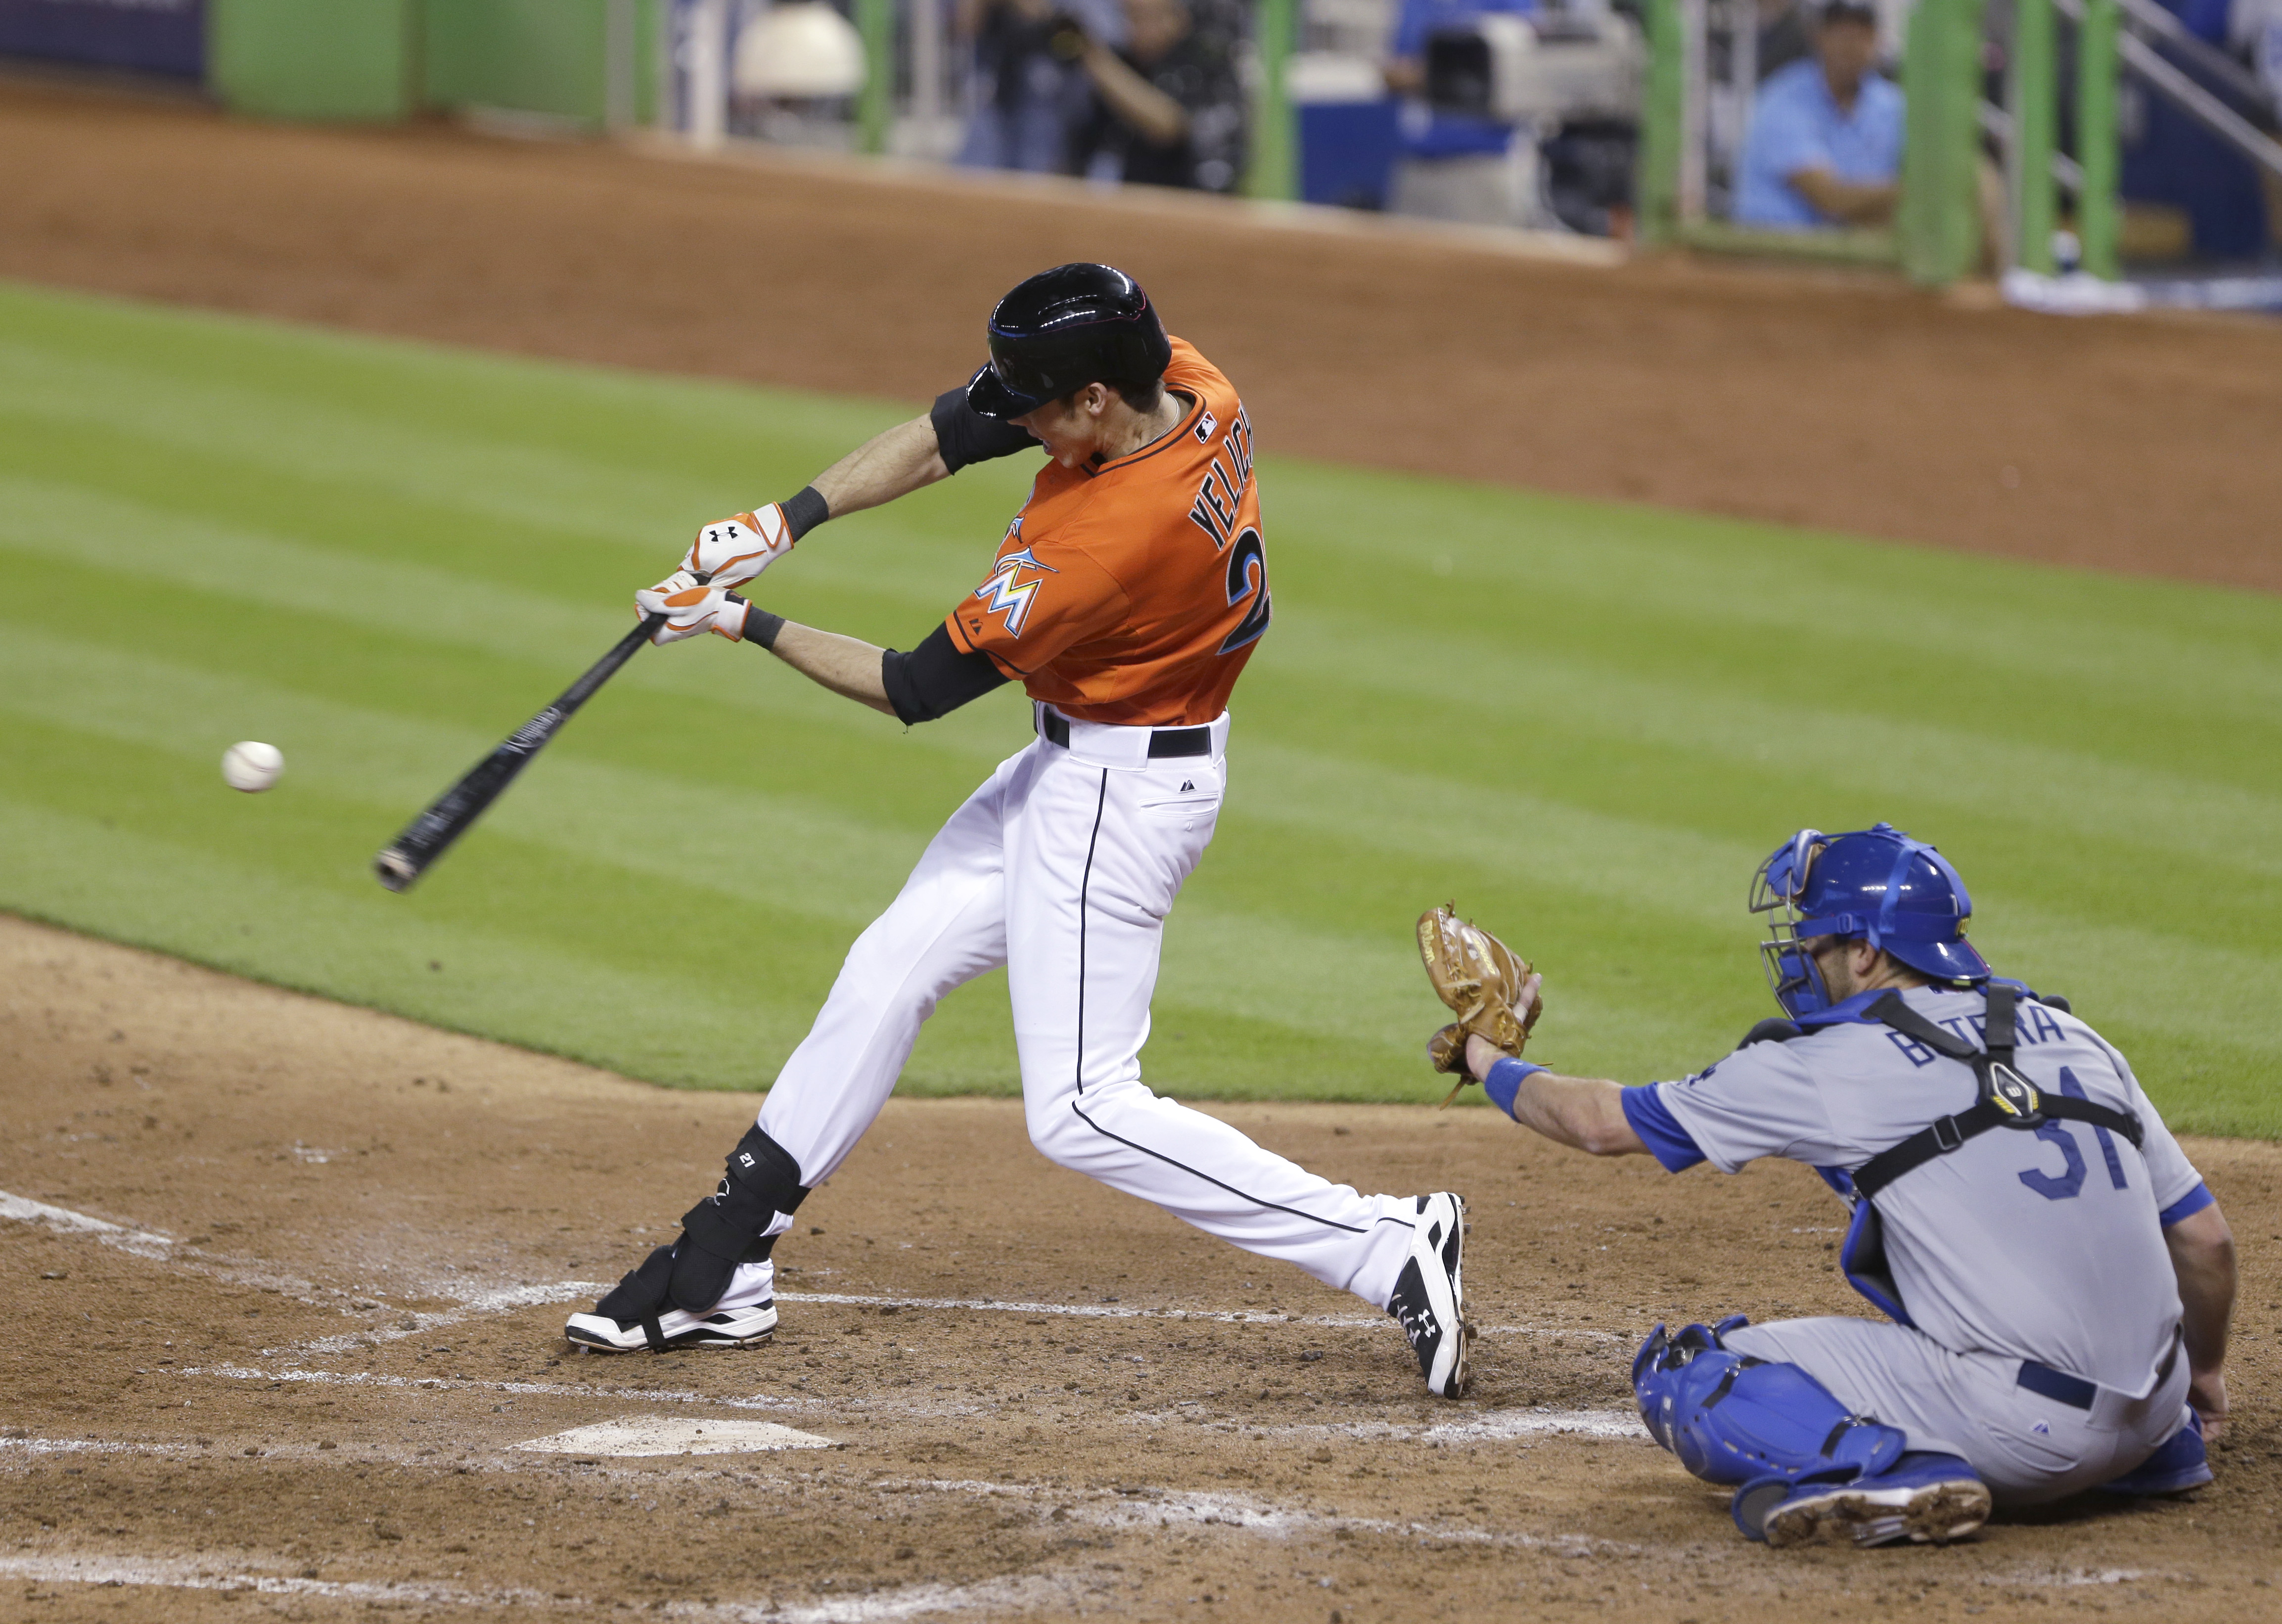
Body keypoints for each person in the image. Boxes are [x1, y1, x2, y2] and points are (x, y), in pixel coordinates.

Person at [562, 264, 1475, 1403]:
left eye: (1038, 401)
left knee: (1086, 1109)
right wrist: (779, 522)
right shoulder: (1190, 383)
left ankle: (1386, 1240)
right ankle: (731, 1256)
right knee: (891, 965)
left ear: (1094, 399)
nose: (1018, 417)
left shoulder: (1106, 541)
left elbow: (913, 687)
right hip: (1075, 767)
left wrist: (738, 619)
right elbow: (951, 433)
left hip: (1114, 804)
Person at [1445, 823, 2235, 1547]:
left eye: (1814, 942)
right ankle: (2151, 1457)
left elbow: (1596, 1123)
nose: (1800, 959)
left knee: (1691, 1371)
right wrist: (2199, 1379)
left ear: (1865, 953)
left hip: (2023, 1439)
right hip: (2159, 1417)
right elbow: (2204, 1241)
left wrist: (1489, 1058)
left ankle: (1894, 1477)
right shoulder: (2077, 1037)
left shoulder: (1826, 1066)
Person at [1734, 0, 1904, 229]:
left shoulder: (1891, 104)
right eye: (1840, 32)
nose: (1850, 44)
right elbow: (1831, 200)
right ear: (1818, 36)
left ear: (1876, 39)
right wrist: (1918, 193)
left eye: (1861, 33)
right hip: (1772, 255)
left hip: (1851, 254)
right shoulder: (1782, 100)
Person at [1383, 0, 1543, 226]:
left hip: (1481, 167)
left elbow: (1519, 65)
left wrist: (1433, 74)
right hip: (1417, 165)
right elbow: (1394, 71)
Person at [1063, 0, 1246, 193]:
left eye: (1150, 17)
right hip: (1123, 200)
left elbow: (1167, 125)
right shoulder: (1125, 60)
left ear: (1179, 18)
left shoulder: (1200, 59)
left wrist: (1094, 58)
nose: (1140, 29)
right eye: (1133, 18)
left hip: (1187, 202)